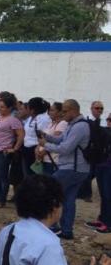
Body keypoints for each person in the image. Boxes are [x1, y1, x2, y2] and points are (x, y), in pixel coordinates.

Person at [38, 99, 91, 240]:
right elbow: (61, 140)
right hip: (77, 169)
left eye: (65, 111)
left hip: (72, 168)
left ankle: (51, 225)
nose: (63, 114)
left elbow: (65, 148)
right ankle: (66, 231)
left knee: (50, 190)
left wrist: (46, 145)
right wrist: (47, 137)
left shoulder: (80, 127)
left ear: (74, 110)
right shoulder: (73, 125)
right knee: (68, 199)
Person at [0, 92, 24, 208]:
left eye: (3, 107)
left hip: (2, 151)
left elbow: (21, 135)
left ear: (9, 107)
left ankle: (1, 200)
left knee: (2, 176)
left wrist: (14, 148)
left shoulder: (13, 120)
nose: (0, 109)